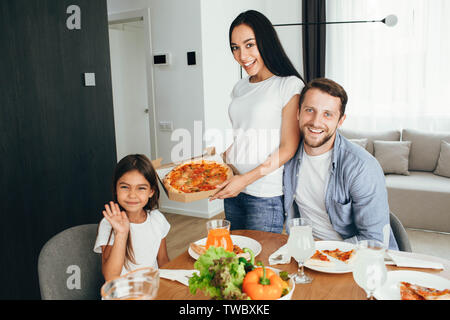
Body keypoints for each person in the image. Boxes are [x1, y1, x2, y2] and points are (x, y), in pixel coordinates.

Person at [209, 10, 305, 234]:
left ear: (265, 42)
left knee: (259, 265)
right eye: (235, 47)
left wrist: (245, 180)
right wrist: (217, 159)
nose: (242, 55)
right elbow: (244, 135)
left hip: (263, 194)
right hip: (233, 188)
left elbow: (288, 148)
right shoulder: (240, 86)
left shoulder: (288, 85)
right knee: (236, 262)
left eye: (249, 44)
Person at [283, 78, 399, 250]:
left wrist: (323, 251)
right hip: (305, 253)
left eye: (327, 114)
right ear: (298, 112)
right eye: (310, 110)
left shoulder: (362, 167)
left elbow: (374, 240)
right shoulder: (287, 154)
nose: (316, 122)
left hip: (353, 257)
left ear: (341, 120)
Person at [94, 154, 170, 281]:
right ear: (115, 188)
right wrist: (121, 234)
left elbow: (163, 261)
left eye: (141, 188)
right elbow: (111, 277)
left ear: (151, 191)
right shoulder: (108, 224)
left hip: (151, 291)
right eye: (125, 187)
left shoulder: (157, 219)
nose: (132, 195)